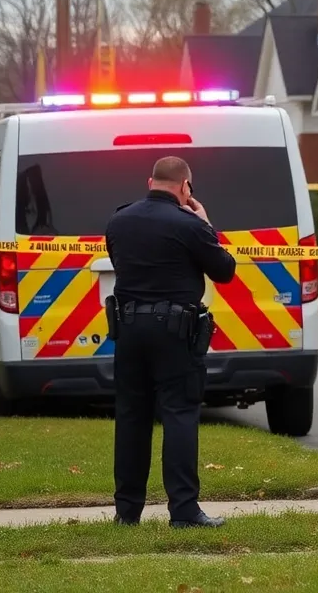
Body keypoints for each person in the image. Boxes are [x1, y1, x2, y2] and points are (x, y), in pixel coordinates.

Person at [105, 156, 237, 527]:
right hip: (175, 331)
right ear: (185, 187)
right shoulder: (190, 224)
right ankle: (184, 511)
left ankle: (126, 512)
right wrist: (206, 223)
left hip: (128, 328)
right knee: (179, 414)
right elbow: (224, 271)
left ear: (151, 182)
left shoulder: (119, 219)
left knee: (132, 417)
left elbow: (119, 261)